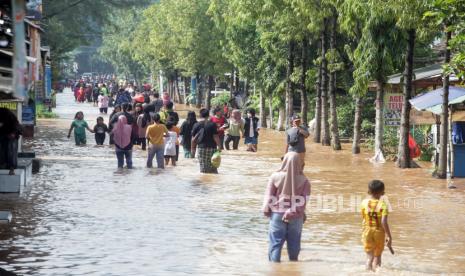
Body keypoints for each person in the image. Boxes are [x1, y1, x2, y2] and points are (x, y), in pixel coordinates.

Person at [262, 152, 311, 262]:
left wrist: (266, 210)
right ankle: (293, 268)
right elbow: (303, 201)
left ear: (284, 162)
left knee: (275, 244)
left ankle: (275, 269)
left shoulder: (275, 177)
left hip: (277, 214)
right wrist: (292, 211)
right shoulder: (305, 181)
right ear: (300, 163)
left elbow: (268, 196)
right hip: (296, 217)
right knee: (294, 244)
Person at [361, 180, 392, 271]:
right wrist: (389, 236)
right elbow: (384, 222)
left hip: (367, 231)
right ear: (383, 193)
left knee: (369, 257)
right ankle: (376, 272)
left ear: (368, 192)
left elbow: (364, 218)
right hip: (379, 232)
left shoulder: (364, 203)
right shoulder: (383, 204)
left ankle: (367, 272)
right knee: (377, 256)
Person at [191, 108, 221, 174]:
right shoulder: (212, 124)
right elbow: (215, 136)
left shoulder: (196, 125)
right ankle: (214, 182)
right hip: (212, 148)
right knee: (214, 168)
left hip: (201, 148)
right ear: (208, 115)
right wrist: (219, 146)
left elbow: (193, 140)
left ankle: (205, 182)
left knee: (203, 169)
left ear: (200, 115)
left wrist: (193, 150)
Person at [0, 108, 22, 175]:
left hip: (12, 133)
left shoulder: (6, 112)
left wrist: (13, 133)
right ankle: (3, 165)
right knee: (2, 152)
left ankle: (12, 169)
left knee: (11, 151)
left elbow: (16, 124)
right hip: (2, 134)